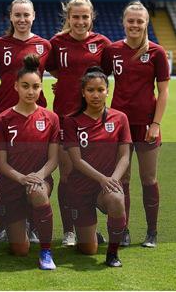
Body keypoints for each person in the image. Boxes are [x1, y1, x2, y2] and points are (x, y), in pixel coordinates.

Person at [0, 0, 51, 243]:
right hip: (4, 115)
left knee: (33, 166)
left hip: (35, 118)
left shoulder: (45, 46)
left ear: (33, 16)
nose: (22, 19)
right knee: (5, 170)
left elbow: (61, 73)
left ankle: (32, 224)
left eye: (26, 15)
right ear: (10, 17)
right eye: (17, 15)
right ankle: (4, 225)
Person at [101, 0, 170, 247]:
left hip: (146, 125)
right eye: (130, 20)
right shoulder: (112, 51)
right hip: (119, 125)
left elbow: (163, 92)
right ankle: (124, 229)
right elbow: (98, 81)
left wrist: (156, 123)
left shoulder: (157, 52)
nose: (135, 25)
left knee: (149, 179)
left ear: (146, 23)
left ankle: (152, 232)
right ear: (123, 22)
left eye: (139, 21)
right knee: (123, 180)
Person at [45, 0, 111, 247]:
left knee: (93, 175)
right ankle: (70, 230)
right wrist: (65, 83)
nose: (80, 21)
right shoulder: (57, 43)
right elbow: (52, 69)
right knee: (69, 175)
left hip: (94, 122)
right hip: (65, 118)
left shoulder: (102, 43)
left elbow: (105, 75)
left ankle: (91, 228)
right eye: (76, 17)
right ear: (68, 18)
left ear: (91, 17)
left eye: (85, 17)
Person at [0, 54, 59, 270]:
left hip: (39, 181)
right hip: (12, 184)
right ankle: (26, 222)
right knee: (20, 250)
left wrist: (38, 176)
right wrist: (23, 179)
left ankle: (46, 252)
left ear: (41, 88)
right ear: (16, 87)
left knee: (38, 192)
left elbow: (54, 158)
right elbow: (1, 164)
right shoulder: (3, 119)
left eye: (36, 86)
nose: (31, 92)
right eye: (25, 86)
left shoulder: (51, 118)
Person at [63, 66, 131, 267]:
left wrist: (113, 180)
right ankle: (92, 236)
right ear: (83, 93)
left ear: (107, 91)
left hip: (107, 186)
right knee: (88, 250)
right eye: (91, 90)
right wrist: (103, 178)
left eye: (100, 90)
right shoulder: (71, 121)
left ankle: (112, 253)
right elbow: (76, 161)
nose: (96, 95)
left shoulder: (120, 118)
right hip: (81, 188)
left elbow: (125, 156)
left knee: (117, 198)